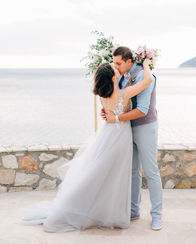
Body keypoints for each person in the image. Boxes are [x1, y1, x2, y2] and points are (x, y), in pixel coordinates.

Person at [19, 58, 152, 233]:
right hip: (119, 136)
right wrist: (147, 63)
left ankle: (103, 210)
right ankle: (111, 213)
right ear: (113, 77)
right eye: (114, 67)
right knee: (116, 176)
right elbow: (148, 80)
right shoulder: (123, 94)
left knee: (103, 174)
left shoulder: (104, 96)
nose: (117, 68)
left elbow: (110, 109)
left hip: (108, 134)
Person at [101, 46, 163, 231]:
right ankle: (134, 211)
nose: (116, 66)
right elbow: (119, 99)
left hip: (145, 126)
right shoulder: (122, 75)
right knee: (133, 171)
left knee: (151, 171)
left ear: (129, 61)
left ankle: (157, 215)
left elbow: (142, 109)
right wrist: (109, 110)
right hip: (127, 128)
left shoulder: (146, 76)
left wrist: (116, 118)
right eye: (115, 63)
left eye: (119, 63)